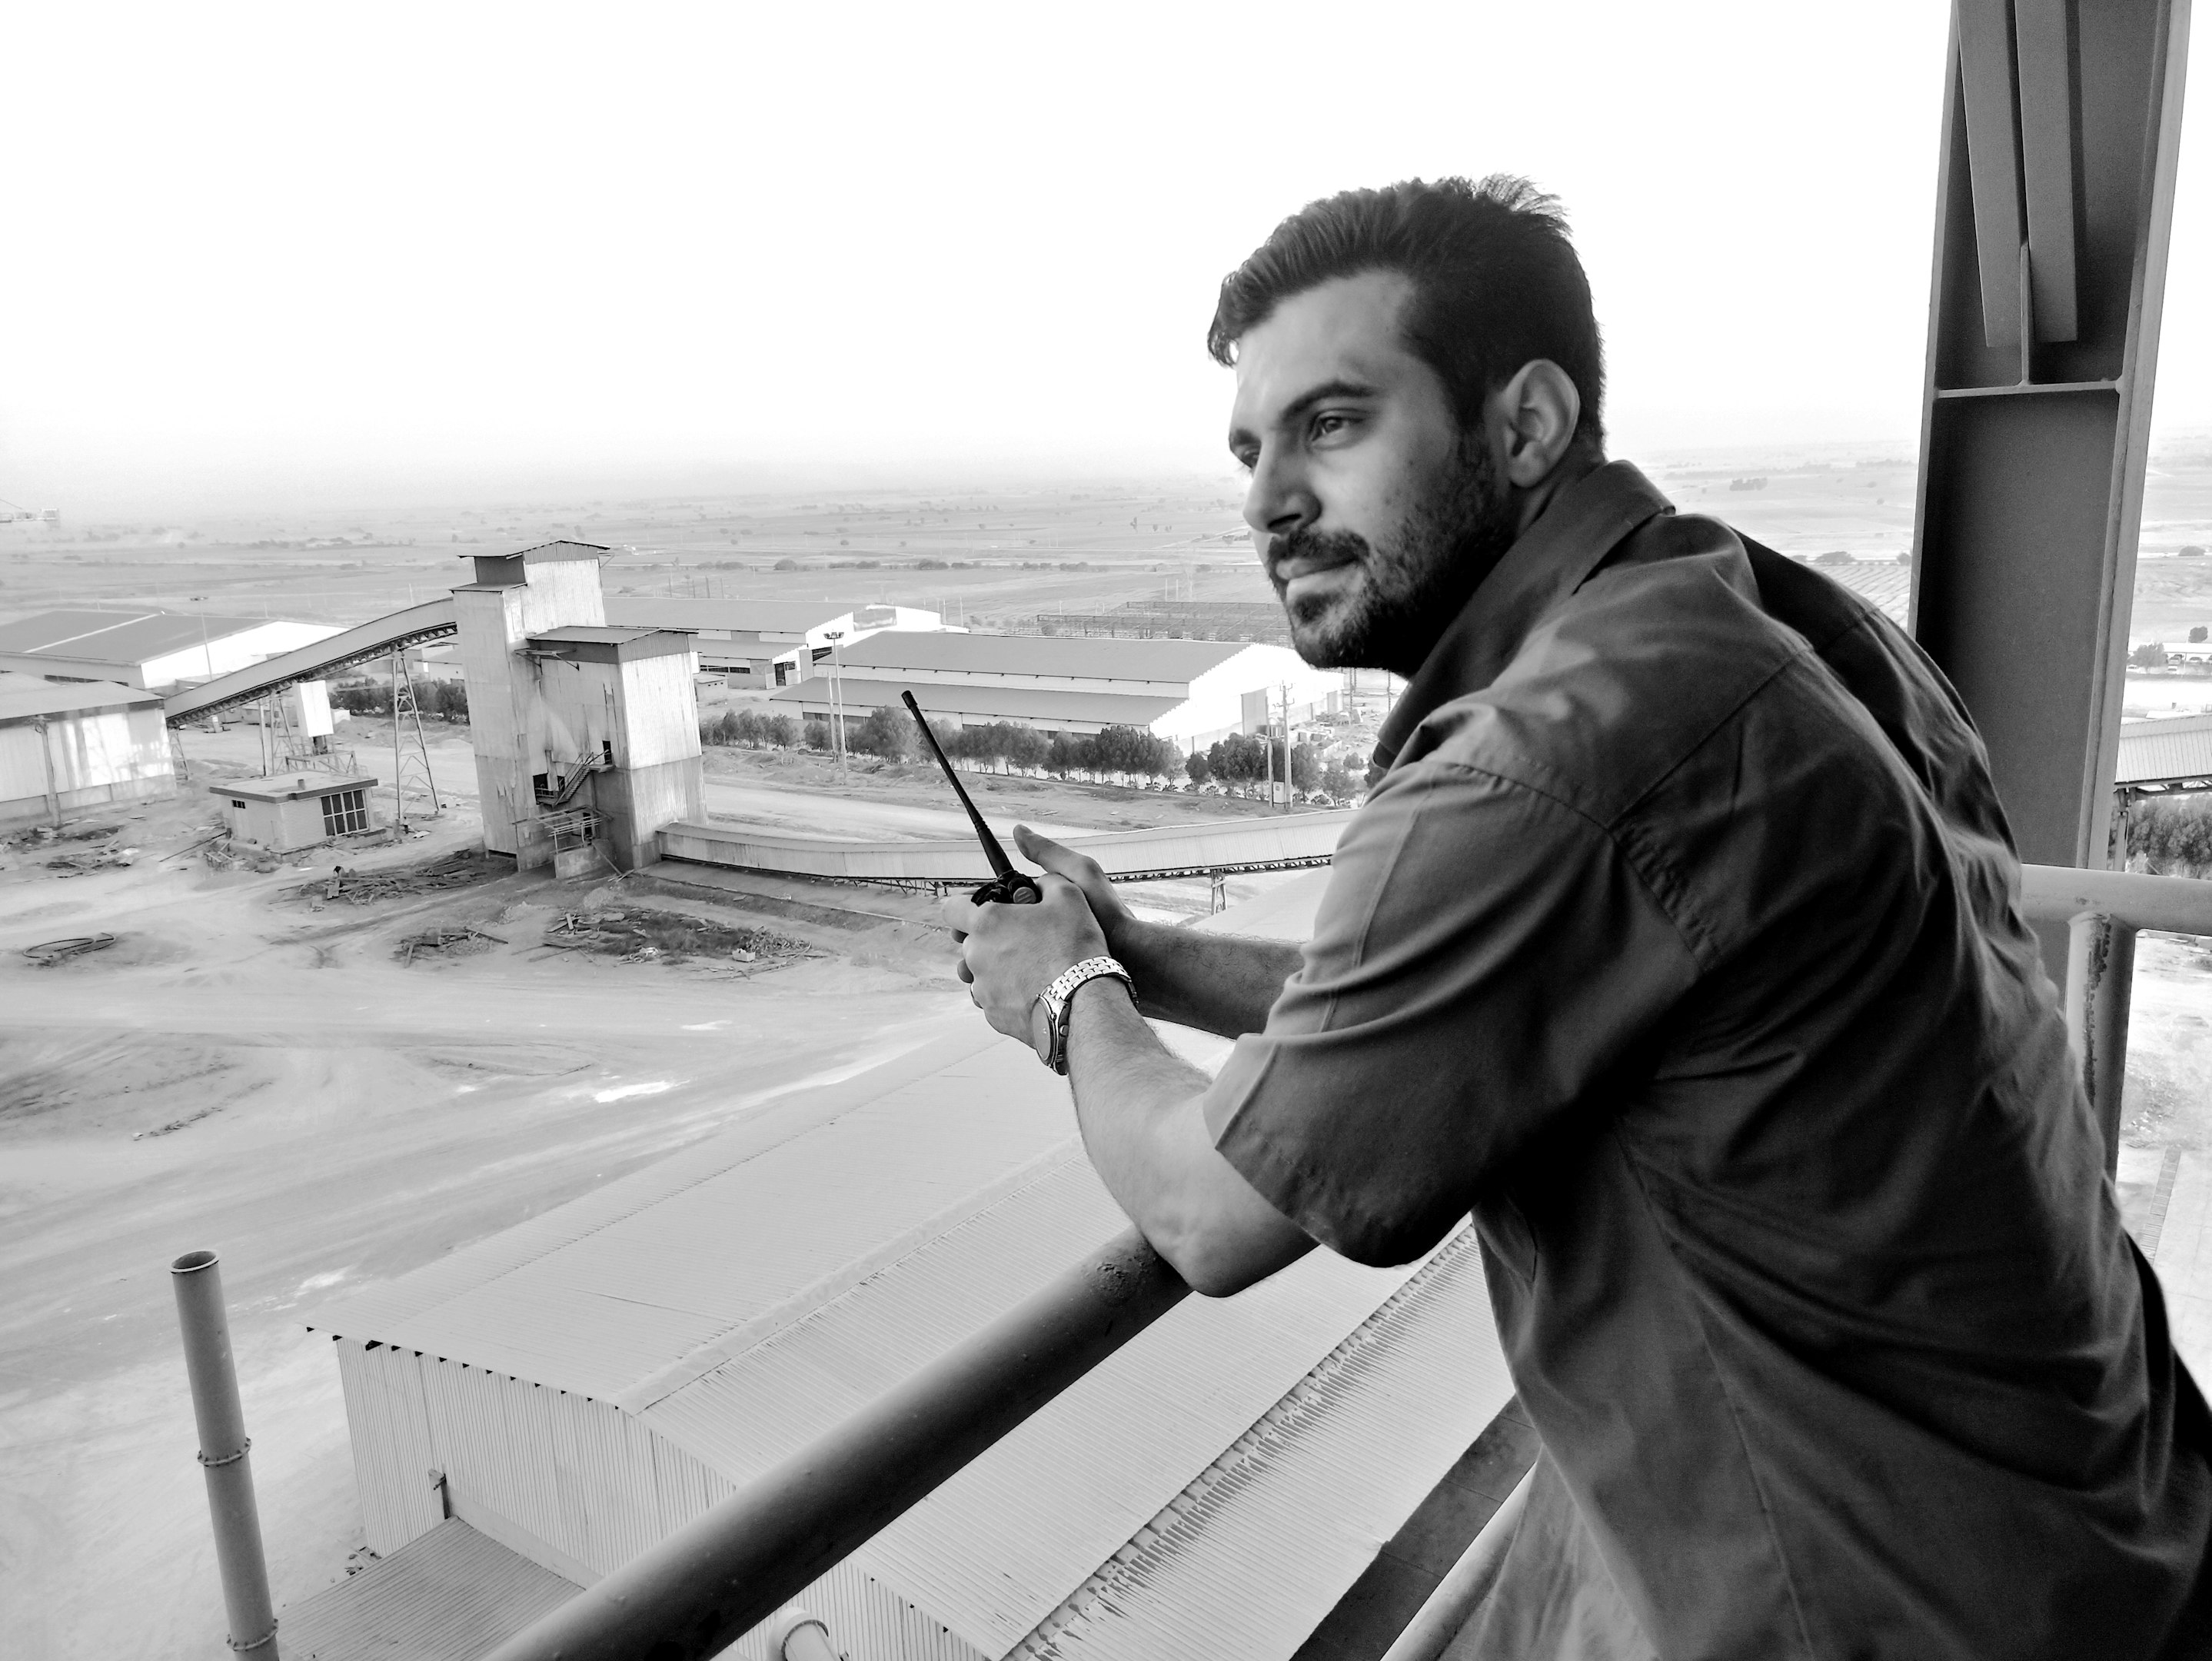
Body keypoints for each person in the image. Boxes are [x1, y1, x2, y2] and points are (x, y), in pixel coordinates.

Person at [946, 176, 2211, 1659]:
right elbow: (1483, 996)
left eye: (1331, 424)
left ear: (1527, 425)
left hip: (1872, 1608)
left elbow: (1207, 1213)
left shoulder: (1548, 752)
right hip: (2099, 1525)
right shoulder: (1784, 621)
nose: (1265, 502)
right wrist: (1150, 956)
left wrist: (1066, 991)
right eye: (1248, 450)